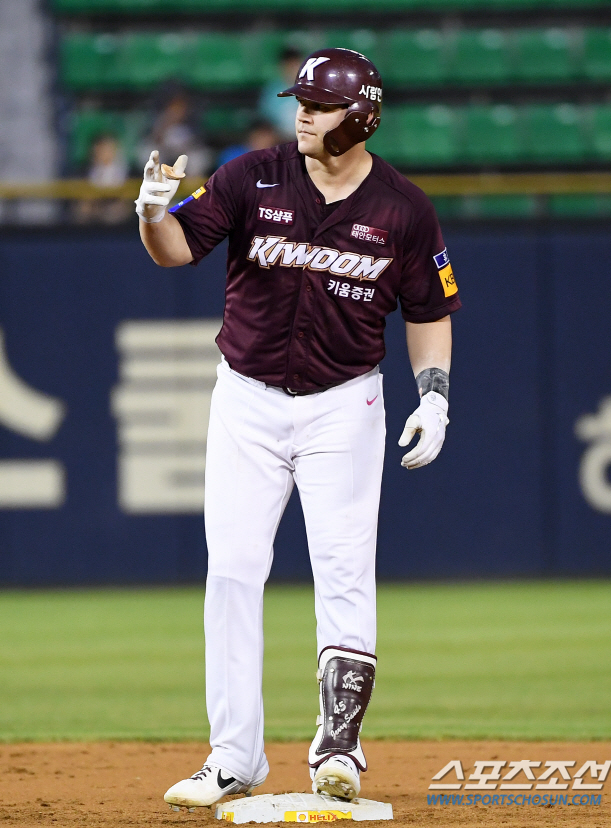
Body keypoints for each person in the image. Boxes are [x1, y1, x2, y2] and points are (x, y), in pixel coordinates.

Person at [134, 48, 461, 809]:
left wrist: (435, 396)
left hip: (345, 404)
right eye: (301, 101)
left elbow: (429, 311)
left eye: (318, 104)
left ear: (361, 116)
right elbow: (177, 250)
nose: (302, 113)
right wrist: (150, 213)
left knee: (343, 571)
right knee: (232, 569)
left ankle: (338, 748)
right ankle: (233, 755)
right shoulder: (252, 176)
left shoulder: (403, 208)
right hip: (246, 399)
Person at [257, 47, 303, 140]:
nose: (292, 69)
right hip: (280, 139)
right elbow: (266, 120)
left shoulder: (314, 89)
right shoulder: (272, 91)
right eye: (288, 65)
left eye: (295, 65)